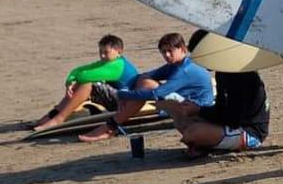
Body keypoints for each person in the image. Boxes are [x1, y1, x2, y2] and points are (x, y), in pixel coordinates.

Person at [79, 32, 214, 141]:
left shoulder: (185, 70)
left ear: (183, 49)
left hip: (197, 113)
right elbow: (144, 76)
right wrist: (125, 91)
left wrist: (122, 95)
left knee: (147, 85)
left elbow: (156, 94)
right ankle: (112, 126)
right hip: (185, 106)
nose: (166, 55)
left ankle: (111, 126)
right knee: (145, 80)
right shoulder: (176, 64)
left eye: (170, 51)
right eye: (163, 52)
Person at [163, 34, 271, 158]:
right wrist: (196, 110)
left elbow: (233, 119)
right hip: (231, 124)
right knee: (180, 120)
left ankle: (204, 145)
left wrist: (199, 111)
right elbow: (221, 108)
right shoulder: (222, 72)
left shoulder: (239, 75)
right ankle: (206, 144)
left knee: (192, 133)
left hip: (249, 132)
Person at [32, 34, 138, 130]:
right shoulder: (107, 62)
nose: (102, 56)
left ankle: (58, 119)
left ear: (119, 52)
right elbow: (78, 70)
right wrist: (70, 82)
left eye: (106, 52)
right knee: (82, 83)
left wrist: (74, 81)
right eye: (100, 52)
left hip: (128, 102)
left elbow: (85, 75)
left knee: (87, 83)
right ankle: (52, 116)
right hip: (118, 98)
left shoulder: (117, 65)